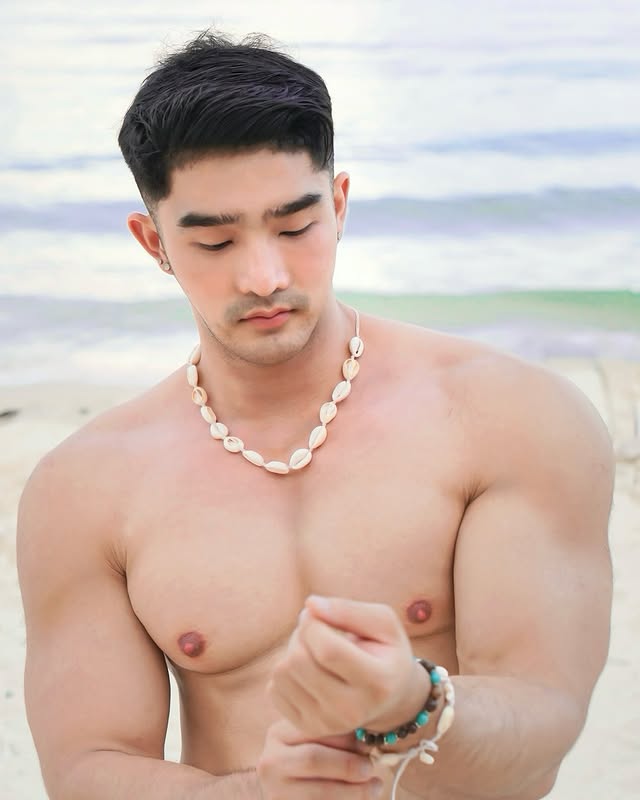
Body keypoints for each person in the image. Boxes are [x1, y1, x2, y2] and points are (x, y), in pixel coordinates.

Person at [17, 30, 614, 800]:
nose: (264, 275)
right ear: (153, 243)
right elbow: (86, 768)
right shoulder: (85, 489)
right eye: (214, 241)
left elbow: (542, 729)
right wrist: (255, 794)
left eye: (295, 227)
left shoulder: (509, 417)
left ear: (338, 205)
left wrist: (412, 707)